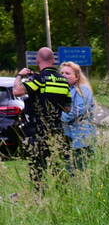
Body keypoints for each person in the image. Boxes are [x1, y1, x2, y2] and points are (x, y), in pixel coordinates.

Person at [13, 47, 72, 187]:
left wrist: (20, 76)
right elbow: (68, 108)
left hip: (38, 132)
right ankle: (62, 195)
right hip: (57, 132)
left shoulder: (39, 79)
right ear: (53, 60)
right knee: (59, 170)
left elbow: (17, 91)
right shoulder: (64, 81)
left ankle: (39, 196)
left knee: (38, 172)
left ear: (37, 60)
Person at [59, 61, 96, 173]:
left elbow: (76, 111)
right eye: (62, 73)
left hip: (81, 138)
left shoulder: (83, 90)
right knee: (67, 171)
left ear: (77, 76)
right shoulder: (63, 90)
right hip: (66, 138)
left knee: (81, 171)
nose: (64, 75)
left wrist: (58, 117)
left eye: (67, 73)